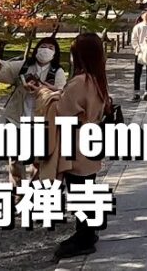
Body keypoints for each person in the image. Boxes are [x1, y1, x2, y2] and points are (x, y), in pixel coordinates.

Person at [29, 32, 109, 261]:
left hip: (76, 144)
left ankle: (84, 237)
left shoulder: (79, 81)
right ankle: (89, 232)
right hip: (91, 140)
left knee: (79, 191)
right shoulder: (97, 78)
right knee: (87, 187)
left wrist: (44, 93)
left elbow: (61, 109)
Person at [0, 37, 66, 187]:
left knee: (39, 161)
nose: (46, 50)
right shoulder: (23, 66)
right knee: (15, 161)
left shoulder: (57, 72)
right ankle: (17, 195)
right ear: (36, 49)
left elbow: (61, 94)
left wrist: (43, 89)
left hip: (41, 122)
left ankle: (34, 193)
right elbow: (0, 68)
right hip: (17, 119)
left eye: (51, 48)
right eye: (43, 46)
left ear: (55, 53)